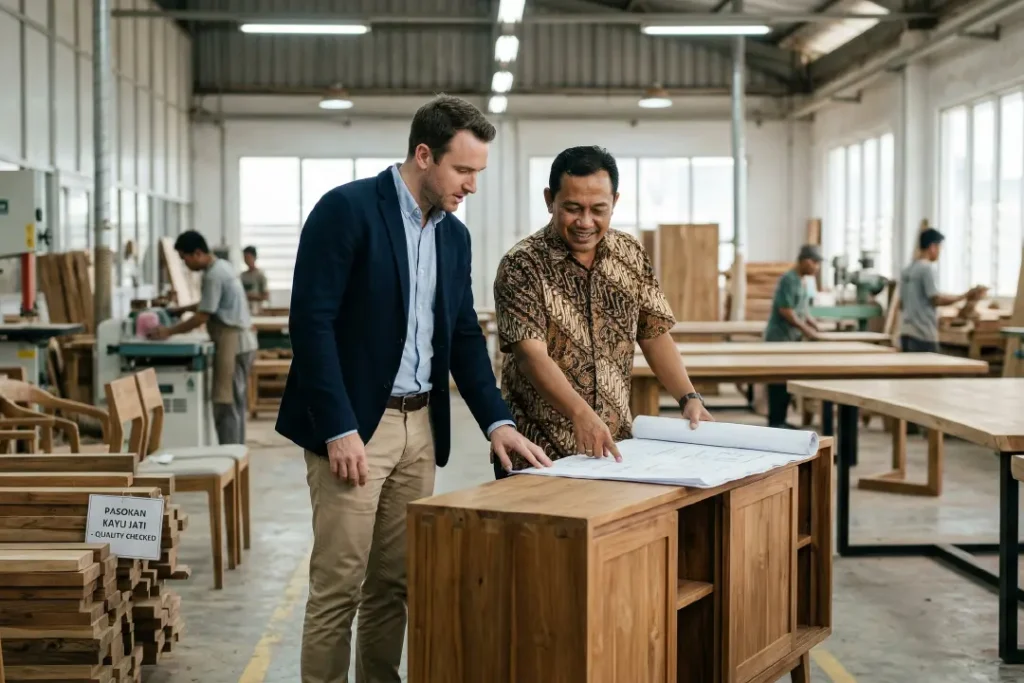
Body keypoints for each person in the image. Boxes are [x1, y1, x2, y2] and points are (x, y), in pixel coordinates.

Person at [275, 95, 551, 683]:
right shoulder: (346, 211)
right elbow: (311, 323)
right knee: (338, 588)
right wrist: (338, 428)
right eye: (464, 169)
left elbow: (463, 336)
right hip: (354, 430)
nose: (473, 185)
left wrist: (498, 422)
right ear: (424, 155)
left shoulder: (453, 237)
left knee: (394, 584)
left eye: (479, 171)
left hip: (420, 427)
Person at [492, 145, 713, 476]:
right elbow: (531, 355)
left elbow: (654, 333)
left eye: (598, 209)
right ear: (549, 199)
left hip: (614, 447)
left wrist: (688, 398)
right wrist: (580, 413)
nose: (585, 222)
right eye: (572, 208)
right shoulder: (522, 265)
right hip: (538, 451)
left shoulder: (630, 254)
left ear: (615, 202)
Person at [147, 230, 257, 445]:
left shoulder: (214, 275)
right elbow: (208, 302)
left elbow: (202, 316)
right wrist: (180, 310)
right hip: (239, 342)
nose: (184, 263)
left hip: (232, 343)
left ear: (197, 253)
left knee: (226, 404)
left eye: (184, 258)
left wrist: (167, 332)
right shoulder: (221, 267)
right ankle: (235, 453)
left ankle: (230, 457)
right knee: (234, 404)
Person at [762, 244, 823, 428]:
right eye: (815, 263)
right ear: (805, 261)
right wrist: (806, 330)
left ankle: (781, 420)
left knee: (787, 380)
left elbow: (802, 309)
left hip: (791, 340)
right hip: (779, 339)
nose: (817, 267)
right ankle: (776, 421)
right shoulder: (788, 279)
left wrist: (814, 325)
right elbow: (786, 311)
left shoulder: (802, 281)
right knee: (778, 381)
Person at [900, 228, 985, 353]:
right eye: (940, 248)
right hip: (922, 334)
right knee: (931, 371)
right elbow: (936, 299)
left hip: (906, 333)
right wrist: (964, 296)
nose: (940, 252)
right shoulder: (927, 269)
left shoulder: (907, 270)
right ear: (933, 247)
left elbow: (902, 304)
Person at [239, 245, 269, 314]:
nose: (246, 260)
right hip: (244, 311)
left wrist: (249, 296)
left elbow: (266, 296)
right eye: (245, 257)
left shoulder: (260, 275)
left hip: (257, 311)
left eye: (248, 257)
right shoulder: (242, 275)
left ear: (255, 258)